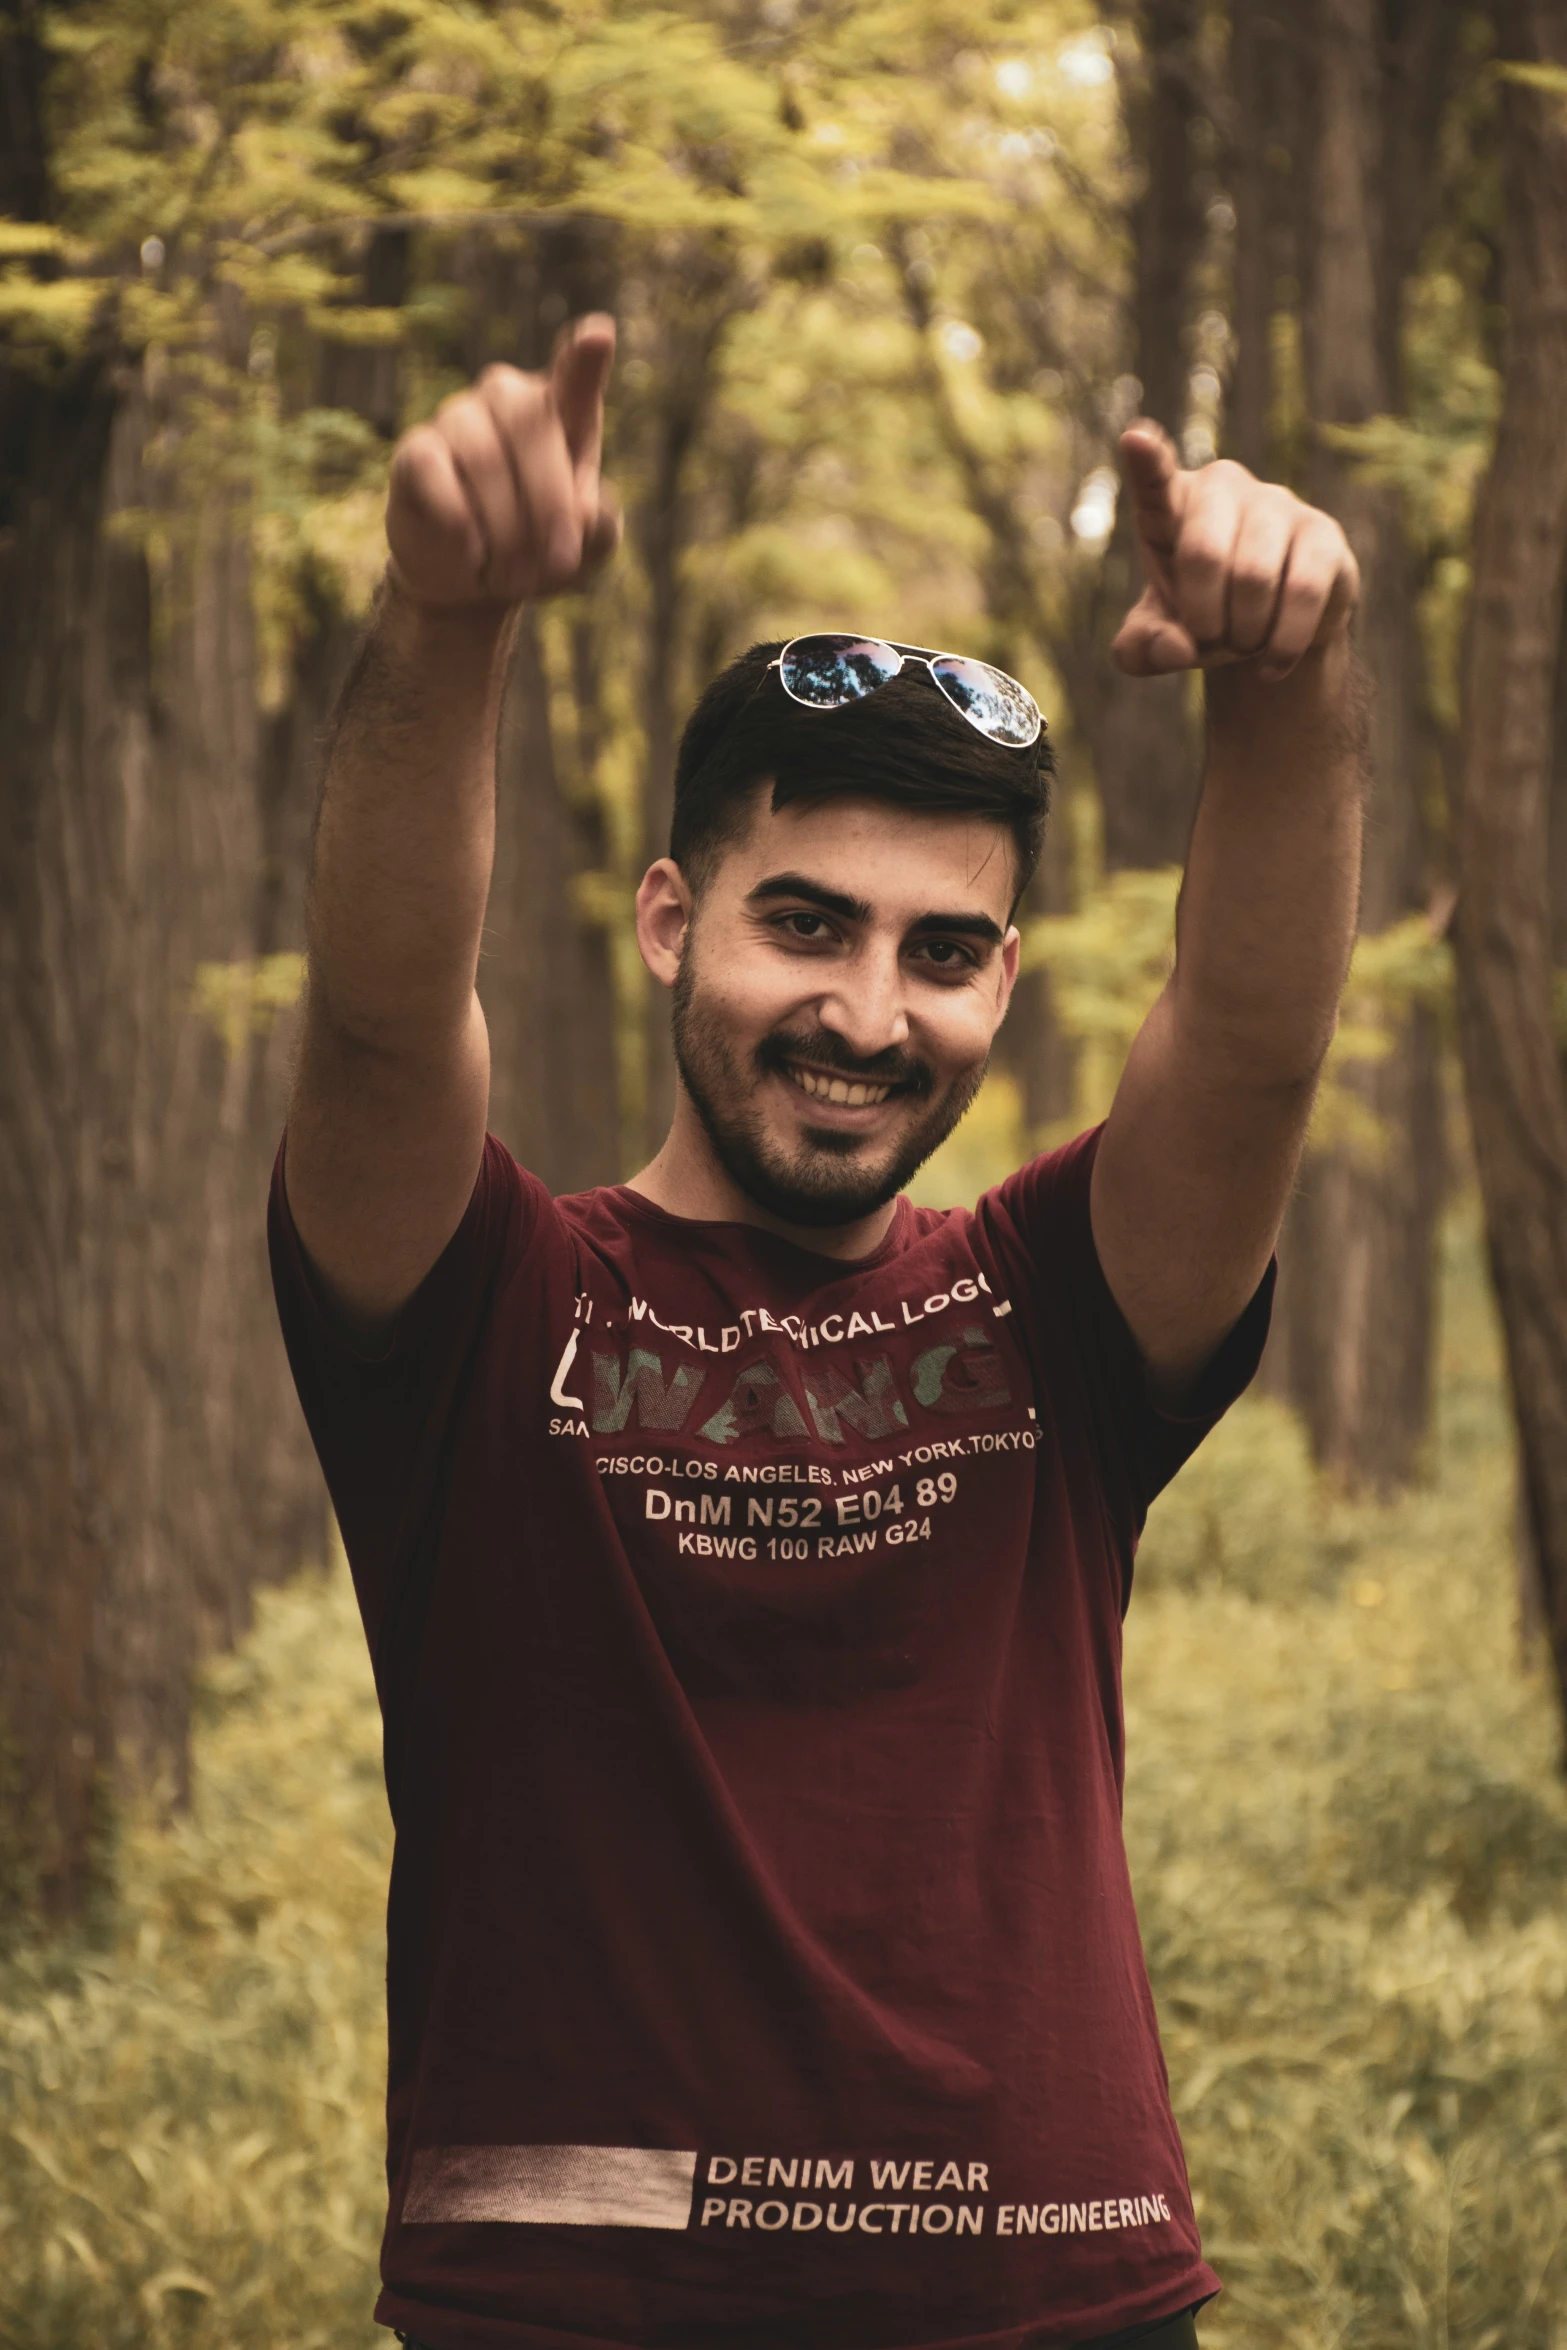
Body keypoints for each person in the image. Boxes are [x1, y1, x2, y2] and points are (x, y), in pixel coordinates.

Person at [269, 312, 1364, 2350]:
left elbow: (1255, 1044)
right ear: (675, 915)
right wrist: (447, 626)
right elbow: (382, 1014)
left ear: (1006, 979)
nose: (871, 1011)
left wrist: (1284, 691)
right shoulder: (486, 1300)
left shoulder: (1054, 1304)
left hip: (1064, 2289)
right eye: (809, 921)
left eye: (941, 952)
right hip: (570, 2295)